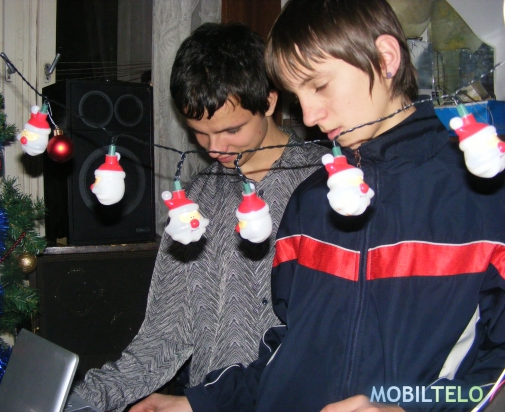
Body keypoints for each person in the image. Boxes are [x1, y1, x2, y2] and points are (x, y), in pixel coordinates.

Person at [130, 0, 505, 411]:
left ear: (385, 58)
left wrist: (404, 407)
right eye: (298, 95)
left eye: (320, 86)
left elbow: (490, 375)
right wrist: (198, 403)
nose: (309, 116)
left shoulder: (481, 196)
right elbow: (287, 351)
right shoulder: (310, 200)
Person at [70, 22, 328, 412]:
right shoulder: (195, 198)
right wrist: (85, 400)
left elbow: (325, 339)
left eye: (231, 130)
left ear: (269, 100)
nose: (214, 148)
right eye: (199, 133)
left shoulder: (325, 186)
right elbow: (164, 334)